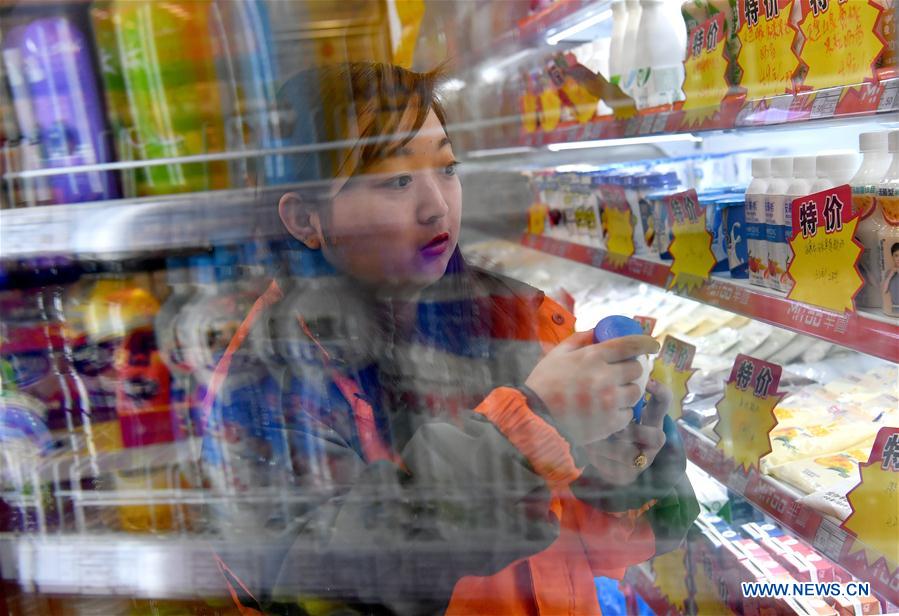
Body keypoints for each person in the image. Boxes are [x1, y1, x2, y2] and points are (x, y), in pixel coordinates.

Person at [204, 62, 698, 615]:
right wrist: (532, 425)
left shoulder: (518, 319)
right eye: (396, 179)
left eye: (447, 166)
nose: (436, 205)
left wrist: (619, 470)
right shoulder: (263, 382)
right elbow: (327, 584)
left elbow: (605, 552)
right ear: (305, 220)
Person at [881, 242, 899, 316]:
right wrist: (890, 276)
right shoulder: (889, 272)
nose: (898, 258)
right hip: (895, 309)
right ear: (892, 256)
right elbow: (884, 291)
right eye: (896, 255)